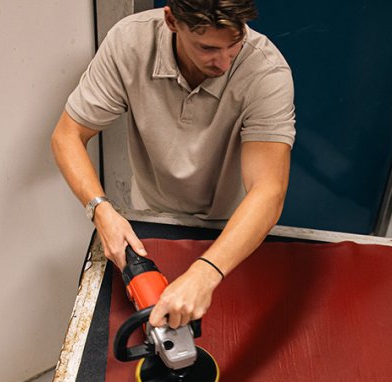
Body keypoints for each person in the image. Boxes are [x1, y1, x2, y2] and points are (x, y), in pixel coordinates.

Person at [51, 0, 295, 330]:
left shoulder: (265, 71)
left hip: (231, 229)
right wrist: (101, 209)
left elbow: (269, 190)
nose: (223, 62)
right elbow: (68, 135)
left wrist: (205, 271)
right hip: (150, 216)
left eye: (233, 45)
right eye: (207, 47)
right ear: (171, 21)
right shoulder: (130, 42)